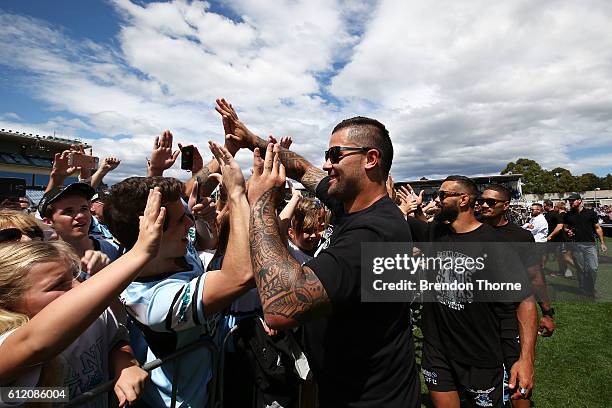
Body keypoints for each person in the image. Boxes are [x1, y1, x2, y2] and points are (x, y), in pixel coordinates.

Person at [217, 98, 420, 407]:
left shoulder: (375, 234)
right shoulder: (350, 200)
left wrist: (260, 202)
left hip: (370, 398)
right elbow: (302, 168)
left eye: (335, 155)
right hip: (344, 385)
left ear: (370, 159)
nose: (326, 164)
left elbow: (280, 306)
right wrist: (251, 140)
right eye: (327, 155)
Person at [103, 141, 252, 407]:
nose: (189, 223)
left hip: (207, 389)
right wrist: (238, 195)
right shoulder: (154, 302)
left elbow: (206, 241)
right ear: (152, 232)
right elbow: (239, 275)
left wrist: (206, 220)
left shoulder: (174, 250)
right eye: (181, 220)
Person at [0, 186, 165, 407]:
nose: (27, 241)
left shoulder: (83, 300)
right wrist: (141, 251)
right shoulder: (7, 339)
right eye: (9, 238)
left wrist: (125, 363)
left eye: (33, 233)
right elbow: (31, 347)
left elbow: (116, 336)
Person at [407, 176, 536, 408]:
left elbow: (525, 301)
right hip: (437, 349)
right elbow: (410, 224)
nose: (438, 200)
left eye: (443, 195)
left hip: (480, 353)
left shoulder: (495, 245)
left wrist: (526, 359)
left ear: (464, 199)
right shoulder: (436, 233)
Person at [478, 185, 555, 407]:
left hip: (512, 315)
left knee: (519, 379)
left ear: (506, 206)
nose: (484, 205)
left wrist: (547, 312)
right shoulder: (470, 230)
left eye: (491, 202)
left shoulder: (520, 236)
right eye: (482, 201)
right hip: (479, 318)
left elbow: (535, 277)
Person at [39, 183, 121, 278]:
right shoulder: (44, 260)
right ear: (48, 222)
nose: (81, 215)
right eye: (68, 211)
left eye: (84, 208)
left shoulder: (114, 250)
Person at [563, 193, 607, 297]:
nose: (570, 202)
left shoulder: (590, 213)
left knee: (593, 268)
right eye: (569, 201)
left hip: (590, 245)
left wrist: (602, 243)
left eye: (572, 200)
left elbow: (597, 228)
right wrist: (568, 230)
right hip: (576, 245)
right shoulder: (568, 215)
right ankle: (585, 288)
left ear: (579, 201)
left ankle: (590, 288)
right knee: (581, 269)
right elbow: (565, 227)